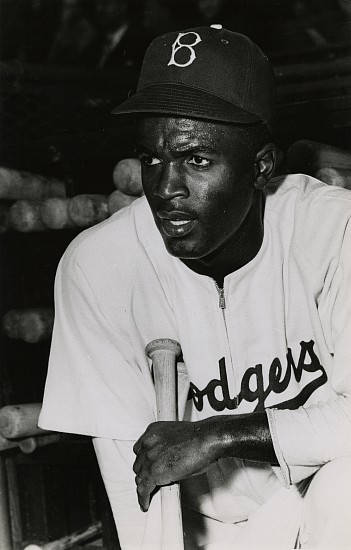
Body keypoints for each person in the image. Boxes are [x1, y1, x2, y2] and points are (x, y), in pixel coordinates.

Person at [39, 26, 351, 549]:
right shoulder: (98, 267)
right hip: (215, 534)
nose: (165, 188)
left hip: (329, 500)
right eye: (151, 158)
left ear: (261, 167)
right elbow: (130, 479)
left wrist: (218, 433)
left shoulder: (330, 229)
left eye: (196, 160)